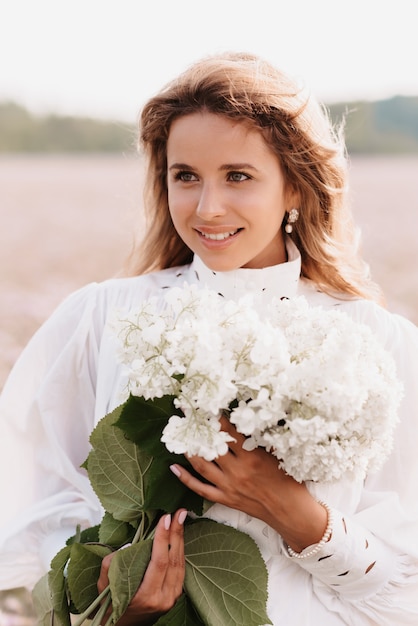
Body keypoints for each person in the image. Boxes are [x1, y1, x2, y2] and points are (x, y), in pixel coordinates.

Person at [1, 51, 418, 625]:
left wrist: (299, 517)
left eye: (238, 176)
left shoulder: (379, 346)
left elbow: (406, 587)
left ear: (295, 187)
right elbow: (26, 505)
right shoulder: (103, 318)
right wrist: (114, 589)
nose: (207, 207)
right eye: (186, 176)